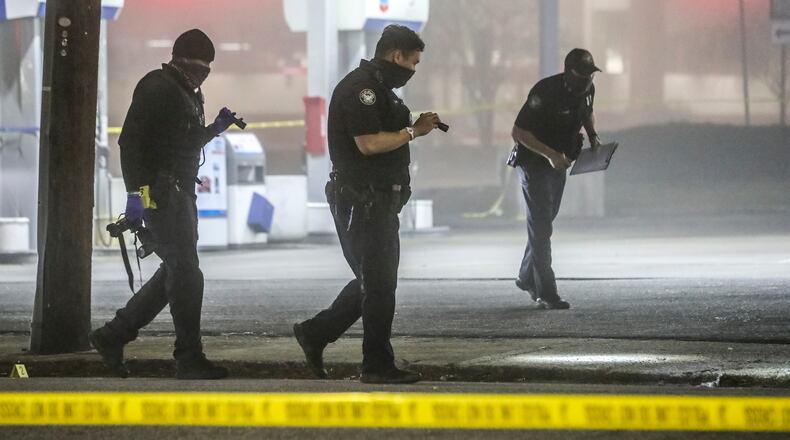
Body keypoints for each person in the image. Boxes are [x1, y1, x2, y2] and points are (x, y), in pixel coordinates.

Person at [293, 25, 443, 384]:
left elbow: (381, 132)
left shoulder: (381, 90)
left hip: (377, 202)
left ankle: (315, 333)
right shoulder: (362, 90)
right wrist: (413, 132)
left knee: (373, 281)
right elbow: (368, 144)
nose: (414, 69)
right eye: (414, 62)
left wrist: (411, 123)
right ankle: (376, 365)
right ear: (397, 56)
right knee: (378, 285)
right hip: (362, 202)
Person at [89, 29, 239, 379]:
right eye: (200, 66)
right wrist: (138, 202)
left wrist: (216, 127)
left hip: (181, 195)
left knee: (175, 271)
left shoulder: (187, 93)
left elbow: (185, 143)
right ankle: (188, 357)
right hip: (162, 197)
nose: (203, 73)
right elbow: (130, 145)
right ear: (180, 60)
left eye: (207, 68)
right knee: (187, 273)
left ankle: (113, 335)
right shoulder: (157, 87)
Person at [510, 48, 604, 310]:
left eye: (590, 75)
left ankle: (526, 276)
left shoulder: (588, 89)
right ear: (568, 73)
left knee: (545, 222)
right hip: (534, 162)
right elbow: (518, 131)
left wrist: (593, 135)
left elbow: (587, 111)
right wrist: (550, 154)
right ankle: (546, 292)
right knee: (541, 225)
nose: (587, 80)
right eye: (581, 75)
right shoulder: (546, 91)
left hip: (560, 162)